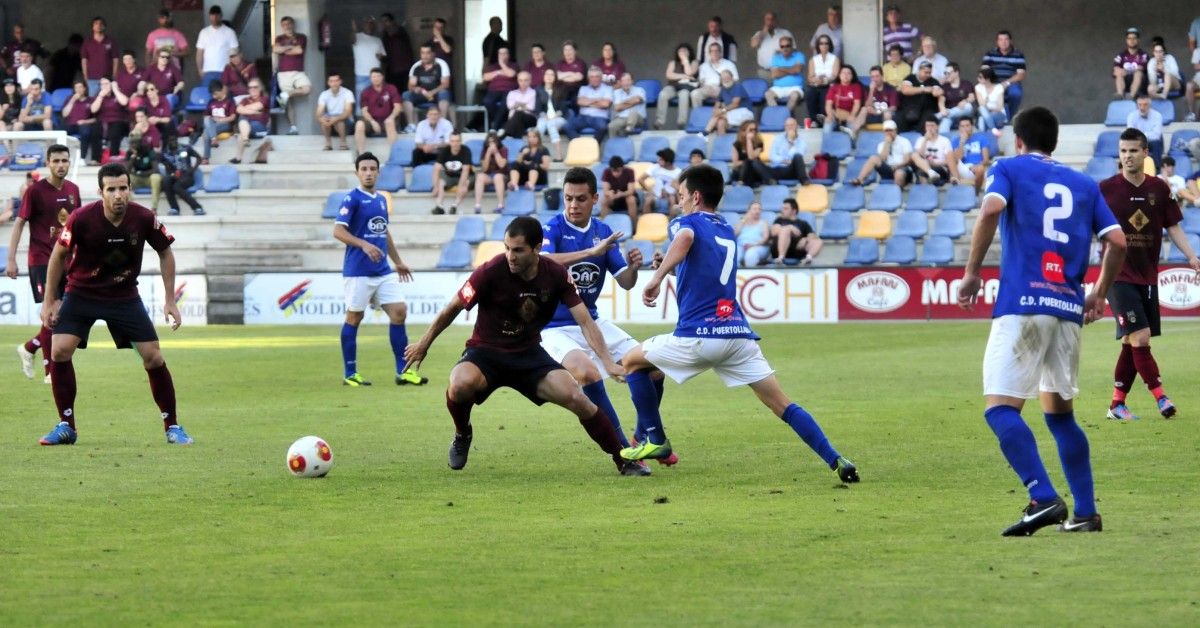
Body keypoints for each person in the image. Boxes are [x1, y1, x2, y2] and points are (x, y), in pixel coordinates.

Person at [616, 164, 859, 483]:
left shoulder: (685, 223)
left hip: (700, 335)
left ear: (696, 196)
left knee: (632, 362)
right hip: (737, 336)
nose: (679, 201)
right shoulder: (726, 228)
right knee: (781, 403)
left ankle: (655, 439)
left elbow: (686, 236)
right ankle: (837, 459)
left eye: (681, 195)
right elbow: (703, 271)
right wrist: (674, 269)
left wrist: (657, 278)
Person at [956, 106, 1127, 535]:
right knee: (1060, 416)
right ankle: (1086, 512)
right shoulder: (1084, 183)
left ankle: (1043, 496)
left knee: (1000, 410)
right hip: (1068, 309)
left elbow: (991, 209)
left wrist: (973, 272)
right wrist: (1099, 293)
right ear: (1054, 143)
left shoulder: (1008, 168)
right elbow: (1118, 241)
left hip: (1023, 304)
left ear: (1018, 140)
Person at [403, 216, 641, 476]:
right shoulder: (490, 271)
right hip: (486, 352)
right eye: (506, 248)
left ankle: (623, 459)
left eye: (517, 250)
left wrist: (606, 361)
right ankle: (462, 433)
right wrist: (424, 343)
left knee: (576, 398)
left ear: (537, 248)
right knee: (459, 384)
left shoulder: (556, 275)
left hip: (529, 354)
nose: (510, 256)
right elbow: (453, 307)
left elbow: (585, 319)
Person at [36, 162, 193, 446]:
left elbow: (165, 252)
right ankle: (66, 425)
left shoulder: (144, 218)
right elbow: (58, 256)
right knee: (59, 350)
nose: (118, 195)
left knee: (153, 356)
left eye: (123, 188)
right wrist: (51, 300)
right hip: (82, 292)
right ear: (101, 192)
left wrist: (170, 299)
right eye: (111, 189)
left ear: (130, 189)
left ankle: (173, 426)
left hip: (123, 296)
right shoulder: (81, 218)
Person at [539, 167, 654, 468]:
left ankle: (643, 439)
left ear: (594, 198)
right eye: (567, 199)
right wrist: (592, 251)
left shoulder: (603, 232)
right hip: (554, 326)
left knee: (652, 367)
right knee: (588, 373)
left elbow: (625, 282)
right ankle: (622, 455)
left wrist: (634, 267)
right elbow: (545, 261)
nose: (573, 205)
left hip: (592, 320)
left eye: (579, 199)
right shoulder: (552, 229)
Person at [1099, 128, 1200, 422]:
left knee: (1131, 342)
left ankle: (1117, 405)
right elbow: (1089, 225)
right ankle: (1161, 397)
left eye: (1133, 151)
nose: (1127, 156)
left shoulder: (1159, 188)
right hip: (1117, 276)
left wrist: (1192, 256)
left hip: (1148, 277)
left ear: (1145, 153)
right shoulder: (1106, 189)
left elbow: (1174, 227)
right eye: (1123, 151)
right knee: (1141, 337)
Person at [333, 152, 427, 388]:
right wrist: (364, 245)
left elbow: (384, 232)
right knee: (355, 317)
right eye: (363, 169)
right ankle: (350, 373)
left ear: (378, 172)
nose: (368, 173)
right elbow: (338, 231)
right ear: (357, 172)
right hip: (358, 271)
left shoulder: (382, 199)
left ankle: (402, 371)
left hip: (383, 271)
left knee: (399, 312)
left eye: (372, 169)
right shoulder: (351, 199)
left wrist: (398, 261)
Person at [7, 144, 81, 384]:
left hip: (66, 261)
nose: (61, 165)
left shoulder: (73, 190)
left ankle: (30, 347)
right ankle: (51, 372)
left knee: (60, 314)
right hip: (40, 260)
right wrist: (11, 258)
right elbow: (19, 223)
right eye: (56, 160)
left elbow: (78, 226)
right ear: (48, 162)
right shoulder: (35, 191)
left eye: (64, 161)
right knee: (50, 313)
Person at [274, 16, 313, 135]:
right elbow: (276, 49)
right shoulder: (279, 38)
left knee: (307, 89)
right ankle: (293, 127)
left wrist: (284, 49)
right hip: (283, 72)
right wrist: (290, 47)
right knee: (288, 103)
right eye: (284, 24)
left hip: (298, 71)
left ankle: (286, 94)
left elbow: (299, 51)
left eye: (289, 24)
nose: (287, 26)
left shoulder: (301, 37)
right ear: (282, 26)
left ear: (293, 24)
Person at [848, 119, 914, 187]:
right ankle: (860, 179)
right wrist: (887, 144)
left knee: (899, 173)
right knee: (873, 158)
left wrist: (897, 166)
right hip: (889, 169)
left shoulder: (904, 141)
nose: (889, 133)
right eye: (886, 131)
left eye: (890, 130)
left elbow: (907, 160)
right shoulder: (881, 144)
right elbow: (883, 159)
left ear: (895, 130)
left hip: (903, 168)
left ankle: (896, 193)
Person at [403, 44, 451, 128]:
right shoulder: (416, 66)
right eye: (422, 53)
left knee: (444, 93)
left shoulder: (441, 64)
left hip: (437, 94)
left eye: (427, 53)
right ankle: (411, 125)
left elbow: (445, 84)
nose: (424, 56)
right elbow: (410, 86)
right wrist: (417, 89)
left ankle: (442, 124)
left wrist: (432, 92)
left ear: (433, 54)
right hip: (422, 94)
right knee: (406, 94)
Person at [355, 68, 402, 155]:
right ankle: (361, 155)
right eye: (373, 77)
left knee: (390, 122)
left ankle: (394, 155)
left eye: (378, 76)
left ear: (382, 77)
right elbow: (364, 111)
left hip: (388, 119)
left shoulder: (391, 88)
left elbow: (397, 107)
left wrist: (391, 118)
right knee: (359, 124)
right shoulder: (366, 92)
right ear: (370, 78)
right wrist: (372, 122)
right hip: (372, 120)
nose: (375, 78)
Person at [981, 30, 1027, 116]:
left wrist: (1006, 83)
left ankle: (1008, 117)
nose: (1003, 42)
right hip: (993, 83)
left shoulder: (1018, 54)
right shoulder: (990, 54)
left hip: (1011, 83)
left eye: (1006, 39)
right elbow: (984, 71)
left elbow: (1021, 75)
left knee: (1015, 94)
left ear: (1010, 41)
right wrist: (991, 85)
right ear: (997, 42)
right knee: (981, 91)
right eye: (1001, 40)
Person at [655, 43, 699, 130]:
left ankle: (681, 122)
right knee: (663, 94)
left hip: (685, 87)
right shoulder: (673, 62)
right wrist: (684, 76)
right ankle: (660, 121)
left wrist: (685, 61)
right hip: (672, 86)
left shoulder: (694, 62)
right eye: (680, 51)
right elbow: (669, 75)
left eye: (684, 51)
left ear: (689, 52)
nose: (682, 53)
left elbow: (689, 72)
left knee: (684, 95)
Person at [159, 134, 204, 216]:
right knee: (166, 181)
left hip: (187, 175)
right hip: (174, 175)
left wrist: (193, 169)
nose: (173, 142)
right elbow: (166, 166)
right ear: (167, 142)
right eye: (170, 141)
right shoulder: (165, 153)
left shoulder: (186, 148)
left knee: (176, 187)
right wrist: (172, 174)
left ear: (177, 140)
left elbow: (199, 158)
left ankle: (197, 207)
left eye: (174, 140)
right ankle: (174, 208)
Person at [566, 67, 613, 142]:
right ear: (588, 78)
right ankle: (581, 146)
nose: (594, 79)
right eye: (592, 77)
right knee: (568, 126)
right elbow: (580, 102)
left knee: (603, 127)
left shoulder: (608, 89)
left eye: (597, 76)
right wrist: (598, 100)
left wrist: (587, 102)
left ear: (601, 78)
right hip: (583, 117)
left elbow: (605, 104)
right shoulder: (583, 88)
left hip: (600, 117)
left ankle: (593, 148)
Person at [769, 198, 822, 264]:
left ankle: (808, 258)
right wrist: (789, 227)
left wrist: (805, 239)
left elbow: (812, 236)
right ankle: (781, 258)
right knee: (786, 230)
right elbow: (773, 232)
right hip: (778, 250)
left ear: (794, 211)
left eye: (785, 209)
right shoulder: (779, 220)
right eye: (782, 208)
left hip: (796, 250)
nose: (782, 210)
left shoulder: (803, 223)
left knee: (818, 241)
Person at [196, 6, 238, 88]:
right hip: (208, 71)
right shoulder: (204, 32)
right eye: (212, 15)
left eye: (217, 15)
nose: (214, 18)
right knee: (208, 96)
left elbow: (235, 52)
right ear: (209, 16)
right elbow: (199, 53)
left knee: (225, 95)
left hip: (225, 71)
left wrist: (233, 69)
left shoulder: (230, 32)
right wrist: (199, 69)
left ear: (221, 15)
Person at [230, 79, 271, 164]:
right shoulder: (245, 99)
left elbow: (257, 106)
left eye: (255, 87)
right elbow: (238, 109)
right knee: (242, 119)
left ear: (260, 88)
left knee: (243, 118)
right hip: (247, 129)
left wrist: (244, 109)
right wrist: (253, 112)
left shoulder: (265, 98)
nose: (252, 89)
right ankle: (244, 141)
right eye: (250, 87)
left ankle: (240, 154)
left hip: (260, 128)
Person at [431, 131, 472, 215]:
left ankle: (454, 206)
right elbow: (436, 168)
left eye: (457, 141)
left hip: (464, 176)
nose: (455, 144)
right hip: (449, 176)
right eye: (453, 141)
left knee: (465, 183)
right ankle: (439, 206)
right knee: (440, 182)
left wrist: (460, 186)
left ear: (460, 141)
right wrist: (435, 186)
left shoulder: (466, 150)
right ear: (449, 142)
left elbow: (465, 170)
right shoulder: (445, 151)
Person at [763, 35, 806, 114]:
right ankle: (778, 116)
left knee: (794, 96)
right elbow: (774, 75)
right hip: (778, 88)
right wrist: (791, 69)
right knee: (768, 94)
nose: (785, 48)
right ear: (780, 48)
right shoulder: (776, 57)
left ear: (792, 46)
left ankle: (784, 116)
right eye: (782, 46)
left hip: (795, 88)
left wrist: (780, 68)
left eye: (787, 46)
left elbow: (797, 70)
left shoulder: (799, 55)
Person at [89, 77, 130, 159]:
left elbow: (125, 102)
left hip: (118, 120)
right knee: (94, 132)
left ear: (111, 84)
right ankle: (95, 159)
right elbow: (93, 110)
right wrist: (100, 96)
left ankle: (113, 155)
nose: (104, 86)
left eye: (106, 84)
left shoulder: (118, 93)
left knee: (115, 130)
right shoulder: (98, 95)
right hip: (103, 121)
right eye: (102, 84)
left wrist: (115, 89)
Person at [851, 65, 898, 136]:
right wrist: (871, 91)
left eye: (877, 76)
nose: (875, 79)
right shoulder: (868, 89)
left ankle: (888, 137)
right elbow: (867, 105)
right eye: (872, 77)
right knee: (864, 109)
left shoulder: (890, 88)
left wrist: (878, 112)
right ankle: (853, 134)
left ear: (882, 76)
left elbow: (893, 107)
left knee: (887, 113)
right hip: (872, 115)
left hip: (885, 115)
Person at [481, 46, 519, 132]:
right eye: (500, 53)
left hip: (509, 90)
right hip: (494, 90)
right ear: (498, 55)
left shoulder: (513, 65)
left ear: (508, 55)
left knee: (505, 103)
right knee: (487, 101)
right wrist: (498, 72)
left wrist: (502, 65)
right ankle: (499, 123)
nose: (502, 55)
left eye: (505, 53)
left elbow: (511, 74)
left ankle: (494, 125)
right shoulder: (492, 66)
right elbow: (486, 77)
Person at [704, 70, 753, 136]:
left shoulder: (737, 86)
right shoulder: (723, 89)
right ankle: (722, 142)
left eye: (727, 77)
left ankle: (705, 133)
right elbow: (718, 103)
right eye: (723, 78)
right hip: (732, 114)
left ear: (732, 77)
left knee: (719, 115)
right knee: (720, 122)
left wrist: (721, 111)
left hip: (744, 113)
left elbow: (735, 104)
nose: (725, 80)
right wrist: (715, 110)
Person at [804, 35, 840, 125]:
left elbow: (835, 75)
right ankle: (814, 121)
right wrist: (816, 80)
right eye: (821, 43)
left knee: (825, 95)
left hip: (829, 85)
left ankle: (823, 121)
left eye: (826, 43)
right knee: (809, 93)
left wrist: (825, 80)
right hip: (816, 84)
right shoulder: (813, 59)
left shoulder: (835, 59)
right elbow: (810, 77)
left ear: (829, 45)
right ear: (818, 46)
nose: (824, 45)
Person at [951, 117, 992, 193]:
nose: (965, 128)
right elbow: (956, 159)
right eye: (962, 126)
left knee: (981, 169)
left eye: (967, 125)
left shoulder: (981, 138)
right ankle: (958, 180)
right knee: (951, 156)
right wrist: (962, 142)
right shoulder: (956, 141)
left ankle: (976, 193)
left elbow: (986, 160)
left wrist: (976, 166)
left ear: (972, 127)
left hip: (978, 167)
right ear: (959, 128)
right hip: (963, 167)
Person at [63, 80, 100, 164]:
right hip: (70, 125)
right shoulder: (69, 99)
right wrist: (72, 100)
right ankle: (64, 158)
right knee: (61, 132)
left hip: (84, 125)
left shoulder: (91, 100)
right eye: (76, 87)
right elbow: (65, 114)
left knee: (86, 132)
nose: (78, 89)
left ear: (85, 89)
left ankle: (82, 158)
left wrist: (85, 121)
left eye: (80, 87)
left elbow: (96, 119)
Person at [897, 61, 940, 133]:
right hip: (909, 109)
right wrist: (924, 89)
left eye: (930, 72)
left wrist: (935, 90)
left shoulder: (933, 81)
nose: (928, 75)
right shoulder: (910, 78)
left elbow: (938, 92)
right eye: (926, 72)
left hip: (926, 110)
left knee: (927, 122)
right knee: (898, 121)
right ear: (919, 70)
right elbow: (905, 90)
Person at [534, 67, 568, 160]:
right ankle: (535, 154)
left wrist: (554, 116)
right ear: (543, 77)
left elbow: (563, 108)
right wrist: (544, 116)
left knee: (551, 125)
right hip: (544, 117)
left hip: (559, 118)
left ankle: (559, 156)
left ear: (555, 77)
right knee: (539, 127)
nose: (549, 77)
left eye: (551, 75)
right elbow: (537, 108)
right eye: (547, 74)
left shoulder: (560, 89)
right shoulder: (539, 90)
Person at [316, 73, 354, 151]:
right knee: (325, 119)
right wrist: (322, 119)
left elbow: (347, 111)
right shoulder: (324, 94)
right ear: (328, 83)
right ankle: (328, 144)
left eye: (336, 81)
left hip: (346, 121)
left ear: (340, 81)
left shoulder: (347, 93)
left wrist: (335, 119)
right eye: (332, 81)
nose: (334, 83)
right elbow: (319, 112)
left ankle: (343, 143)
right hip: (331, 121)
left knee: (339, 121)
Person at [765, 116, 810, 183]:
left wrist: (791, 141)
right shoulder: (777, 139)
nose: (789, 127)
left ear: (796, 126)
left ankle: (804, 180)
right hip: (777, 169)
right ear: (785, 127)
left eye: (791, 125)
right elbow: (772, 156)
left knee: (797, 156)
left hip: (790, 170)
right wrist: (783, 160)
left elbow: (797, 159)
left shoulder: (802, 143)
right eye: (787, 125)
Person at [750, 11, 794, 80]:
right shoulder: (758, 34)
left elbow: (793, 50)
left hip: (781, 71)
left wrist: (783, 51)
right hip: (764, 72)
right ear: (764, 21)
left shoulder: (785, 33)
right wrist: (764, 31)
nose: (770, 21)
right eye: (767, 19)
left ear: (776, 21)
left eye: (772, 19)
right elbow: (753, 44)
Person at [911, 117, 954, 183]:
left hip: (940, 167)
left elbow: (949, 161)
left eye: (932, 125)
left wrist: (935, 164)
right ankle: (930, 172)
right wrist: (925, 140)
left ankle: (930, 174)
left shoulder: (945, 140)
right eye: (927, 126)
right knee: (914, 155)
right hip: (925, 166)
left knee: (922, 172)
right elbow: (918, 156)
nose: (929, 128)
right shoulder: (920, 140)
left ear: (937, 126)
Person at [639, 148, 682, 215]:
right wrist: (650, 190)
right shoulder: (655, 167)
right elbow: (640, 179)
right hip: (655, 195)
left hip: (671, 195)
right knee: (648, 200)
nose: (658, 161)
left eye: (661, 159)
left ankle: (670, 223)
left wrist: (672, 191)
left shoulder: (678, 172)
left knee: (672, 200)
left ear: (668, 162)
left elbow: (680, 189)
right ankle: (646, 222)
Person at [125, 133, 162, 211]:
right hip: (137, 179)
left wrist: (140, 173)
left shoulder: (149, 151)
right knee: (124, 179)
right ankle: (131, 208)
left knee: (156, 177)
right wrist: (133, 157)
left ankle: (154, 208)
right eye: (131, 143)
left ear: (140, 142)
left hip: (149, 178)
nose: (132, 145)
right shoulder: (129, 153)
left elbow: (156, 170)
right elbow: (126, 171)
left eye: (135, 142)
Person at [80, 16, 117, 95]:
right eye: (96, 24)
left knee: (107, 101)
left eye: (101, 24)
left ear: (104, 27)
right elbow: (84, 61)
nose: (99, 26)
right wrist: (85, 76)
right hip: (92, 78)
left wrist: (114, 75)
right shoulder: (87, 42)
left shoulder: (110, 41)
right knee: (93, 102)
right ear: (92, 27)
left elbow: (115, 60)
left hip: (107, 78)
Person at [202, 80, 237, 163]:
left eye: (215, 94)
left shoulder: (229, 101)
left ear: (221, 90)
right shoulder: (211, 102)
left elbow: (233, 117)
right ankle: (214, 139)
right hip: (213, 125)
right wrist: (213, 120)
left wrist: (221, 120)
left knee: (206, 132)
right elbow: (206, 116)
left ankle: (205, 158)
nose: (214, 96)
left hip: (225, 124)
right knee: (207, 126)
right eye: (212, 94)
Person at [728, 121, 771, 187]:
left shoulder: (759, 143)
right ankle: (741, 182)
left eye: (755, 129)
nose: (753, 132)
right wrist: (745, 162)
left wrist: (749, 140)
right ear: (744, 131)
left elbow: (751, 157)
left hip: (753, 172)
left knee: (749, 162)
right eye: (751, 130)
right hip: (741, 170)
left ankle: (741, 183)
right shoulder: (737, 144)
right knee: (746, 163)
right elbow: (735, 163)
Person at [350, 17, 385, 98]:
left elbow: (383, 57)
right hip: (361, 75)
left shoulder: (378, 40)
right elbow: (352, 39)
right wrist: (354, 30)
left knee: (376, 101)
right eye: (367, 23)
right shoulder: (357, 37)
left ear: (374, 26)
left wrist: (381, 57)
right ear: (363, 25)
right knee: (361, 102)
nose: (369, 25)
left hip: (377, 76)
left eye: (371, 23)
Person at [378, 13, 414, 91]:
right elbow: (387, 55)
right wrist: (381, 58)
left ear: (392, 22)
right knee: (393, 94)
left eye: (386, 21)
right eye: (382, 22)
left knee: (405, 93)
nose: (384, 24)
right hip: (392, 71)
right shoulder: (385, 36)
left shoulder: (401, 32)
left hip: (404, 70)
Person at [936, 62, 975, 134]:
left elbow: (972, 97)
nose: (946, 75)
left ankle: (939, 116)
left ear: (956, 72)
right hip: (950, 117)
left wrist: (965, 101)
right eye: (945, 73)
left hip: (964, 115)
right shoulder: (945, 86)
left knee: (968, 106)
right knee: (945, 121)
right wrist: (943, 109)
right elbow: (941, 101)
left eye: (948, 73)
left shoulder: (966, 83)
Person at [473, 132, 507, 213]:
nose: (491, 144)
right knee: (480, 176)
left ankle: (501, 205)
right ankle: (477, 205)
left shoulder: (503, 149)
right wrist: (488, 153)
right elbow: (484, 169)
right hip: (489, 175)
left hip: (502, 176)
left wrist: (496, 153)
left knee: (497, 177)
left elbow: (502, 165)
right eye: (489, 142)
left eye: (493, 142)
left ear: (497, 142)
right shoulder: (484, 151)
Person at [1125, 94, 1164, 166]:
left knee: (1156, 143)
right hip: (1137, 142)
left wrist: (1140, 135)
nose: (1142, 107)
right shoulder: (1131, 116)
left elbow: (1156, 136)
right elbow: (1130, 134)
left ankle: (1157, 170)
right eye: (1140, 105)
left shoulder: (1157, 116)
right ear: (1137, 105)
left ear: (1150, 105)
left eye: (1145, 105)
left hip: (1152, 143)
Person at [824, 64, 862, 134]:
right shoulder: (834, 87)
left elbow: (857, 104)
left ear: (852, 76)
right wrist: (829, 115)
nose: (846, 75)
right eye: (843, 73)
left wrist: (852, 115)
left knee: (853, 130)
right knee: (827, 126)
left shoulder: (856, 87)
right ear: (839, 75)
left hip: (850, 115)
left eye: (849, 73)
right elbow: (828, 104)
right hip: (836, 115)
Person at [1114, 27, 1148, 99]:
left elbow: (1141, 68)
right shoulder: (1121, 55)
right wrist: (1121, 71)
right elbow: (1115, 70)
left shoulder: (1143, 55)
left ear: (1138, 40)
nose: (1132, 40)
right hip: (1126, 83)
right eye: (1129, 38)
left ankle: (1131, 96)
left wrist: (1126, 71)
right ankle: (1120, 95)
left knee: (1138, 73)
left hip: (1141, 85)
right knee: (1119, 73)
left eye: (1134, 38)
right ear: (1126, 40)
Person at [608, 72, 645, 137]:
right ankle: (612, 145)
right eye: (624, 81)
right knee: (611, 126)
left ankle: (628, 129)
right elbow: (617, 108)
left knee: (633, 112)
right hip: (622, 118)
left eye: (628, 80)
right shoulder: (616, 93)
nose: (626, 83)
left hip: (638, 119)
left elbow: (637, 100)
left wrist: (623, 104)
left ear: (632, 81)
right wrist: (632, 101)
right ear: (620, 82)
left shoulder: (640, 90)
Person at [601, 155, 638, 222]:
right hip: (614, 198)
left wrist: (621, 194)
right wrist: (610, 193)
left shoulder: (630, 171)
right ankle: (603, 227)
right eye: (613, 171)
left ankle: (633, 227)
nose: (615, 173)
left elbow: (631, 191)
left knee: (631, 199)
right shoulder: (606, 172)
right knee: (604, 200)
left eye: (618, 171)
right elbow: (605, 190)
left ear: (622, 168)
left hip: (626, 196)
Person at [503, 70, 538, 139]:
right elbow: (510, 106)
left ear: (530, 81)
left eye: (526, 80)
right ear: (517, 81)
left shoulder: (534, 93)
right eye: (520, 80)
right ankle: (517, 139)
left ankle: (505, 133)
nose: (523, 83)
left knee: (518, 113)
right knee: (518, 118)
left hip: (529, 119)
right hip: (514, 120)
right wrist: (524, 105)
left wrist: (517, 104)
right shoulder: (512, 93)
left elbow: (532, 107)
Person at [735, 201, 771, 266]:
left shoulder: (763, 223)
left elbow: (765, 238)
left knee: (750, 254)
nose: (757, 211)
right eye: (755, 209)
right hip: (741, 246)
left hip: (757, 246)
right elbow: (735, 234)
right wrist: (744, 220)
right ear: (748, 211)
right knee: (735, 254)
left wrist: (753, 245)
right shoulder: (742, 222)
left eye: (759, 209)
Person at [974, 67, 1007, 136]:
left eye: (980, 77)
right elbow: (981, 104)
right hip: (985, 113)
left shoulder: (999, 87)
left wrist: (987, 108)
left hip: (999, 115)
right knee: (982, 116)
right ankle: (993, 129)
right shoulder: (978, 87)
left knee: (982, 116)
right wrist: (986, 102)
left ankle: (983, 135)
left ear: (987, 78)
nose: (978, 79)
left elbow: (999, 107)